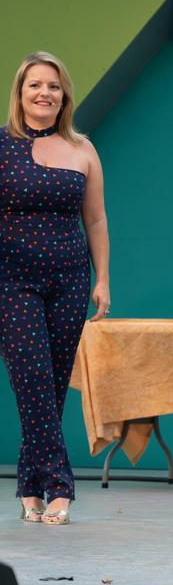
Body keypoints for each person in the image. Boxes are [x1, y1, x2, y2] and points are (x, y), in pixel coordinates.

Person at [3, 52, 111, 526]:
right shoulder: (2, 146)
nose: (44, 93)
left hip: (69, 280)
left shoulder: (83, 149)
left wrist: (102, 279)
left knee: (50, 388)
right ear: (20, 93)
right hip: (12, 281)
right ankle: (60, 486)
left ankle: (29, 485)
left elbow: (96, 220)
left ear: (64, 95)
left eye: (53, 85)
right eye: (35, 85)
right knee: (32, 382)